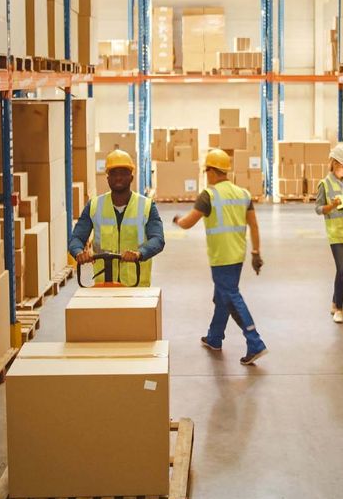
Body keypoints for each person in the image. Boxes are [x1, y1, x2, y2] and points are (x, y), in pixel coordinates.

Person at [172, 149, 267, 365]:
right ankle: (215, 338)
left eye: (207, 171)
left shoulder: (209, 195)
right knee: (221, 297)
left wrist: (177, 220)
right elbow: (254, 225)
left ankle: (255, 342)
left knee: (232, 297)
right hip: (238, 255)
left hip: (220, 257)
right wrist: (256, 252)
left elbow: (188, 223)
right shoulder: (243, 194)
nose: (206, 175)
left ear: (213, 171)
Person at [69, 149, 164, 286]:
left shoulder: (146, 206)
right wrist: (79, 252)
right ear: (108, 178)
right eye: (114, 173)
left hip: (136, 288)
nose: (118, 177)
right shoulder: (94, 206)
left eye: (123, 173)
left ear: (131, 177)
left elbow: (158, 239)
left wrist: (139, 253)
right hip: (105, 286)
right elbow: (76, 238)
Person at [315, 142, 343, 324]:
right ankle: (339, 308)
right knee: (341, 269)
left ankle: (335, 304)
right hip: (336, 233)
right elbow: (318, 209)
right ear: (334, 163)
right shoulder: (324, 184)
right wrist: (331, 205)